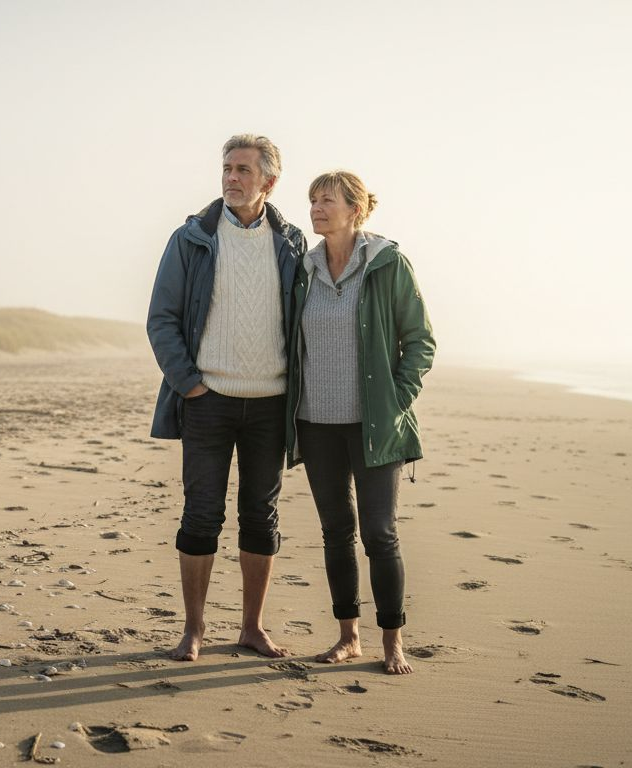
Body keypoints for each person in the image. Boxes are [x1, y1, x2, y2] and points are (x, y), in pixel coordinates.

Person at [147, 134, 307, 661]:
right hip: (207, 399)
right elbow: (162, 319)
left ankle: (251, 628)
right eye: (226, 168)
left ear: (269, 181)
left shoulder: (291, 243)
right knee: (200, 516)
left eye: (243, 169)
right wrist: (189, 382)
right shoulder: (190, 238)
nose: (232, 178)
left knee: (262, 519)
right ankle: (193, 629)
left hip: (271, 405)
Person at [285, 170, 435, 674]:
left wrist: (397, 400)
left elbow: (420, 341)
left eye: (326, 200)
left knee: (379, 533)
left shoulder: (387, 264)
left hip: (374, 424)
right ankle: (348, 636)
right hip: (316, 422)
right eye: (311, 200)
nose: (315, 208)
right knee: (336, 531)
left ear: (356, 209)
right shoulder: (303, 268)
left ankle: (393, 640)